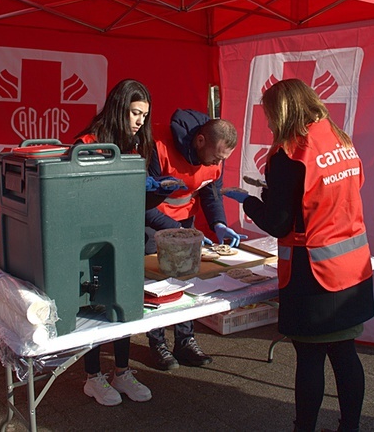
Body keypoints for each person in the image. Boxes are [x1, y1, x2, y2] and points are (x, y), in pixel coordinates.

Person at [224, 78, 374, 432]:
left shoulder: (290, 154)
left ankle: (303, 428)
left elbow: (278, 223)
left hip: (315, 272)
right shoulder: (340, 139)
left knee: (310, 356)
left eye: (269, 116)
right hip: (353, 266)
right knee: (345, 353)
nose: (268, 125)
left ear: (282, 112)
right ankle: (350, 427)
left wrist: (249, 201)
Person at [73, 78, 156, 407]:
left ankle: (122, 371)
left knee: (125, 305)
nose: (140, 121)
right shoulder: (89, 140)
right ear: (120, 109)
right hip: (94, 239)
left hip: (126, 234)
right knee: (94, 308)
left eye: (145, 116)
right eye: (135, 113)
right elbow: (80, 195)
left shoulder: (135, 143)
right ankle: (93, 377)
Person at [145, 109, 247, 370]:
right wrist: (178, 232)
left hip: (184, 223)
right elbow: (142, 203)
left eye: (222, 159)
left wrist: (219, 224)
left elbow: (211, 193)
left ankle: (185, 340)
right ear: (200, 141)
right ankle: (157, 343)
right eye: (215, 156)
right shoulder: (157, 147)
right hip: (152, 223)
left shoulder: (216, 156)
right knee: (157, 284)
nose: (216, 163)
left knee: (186, 281)